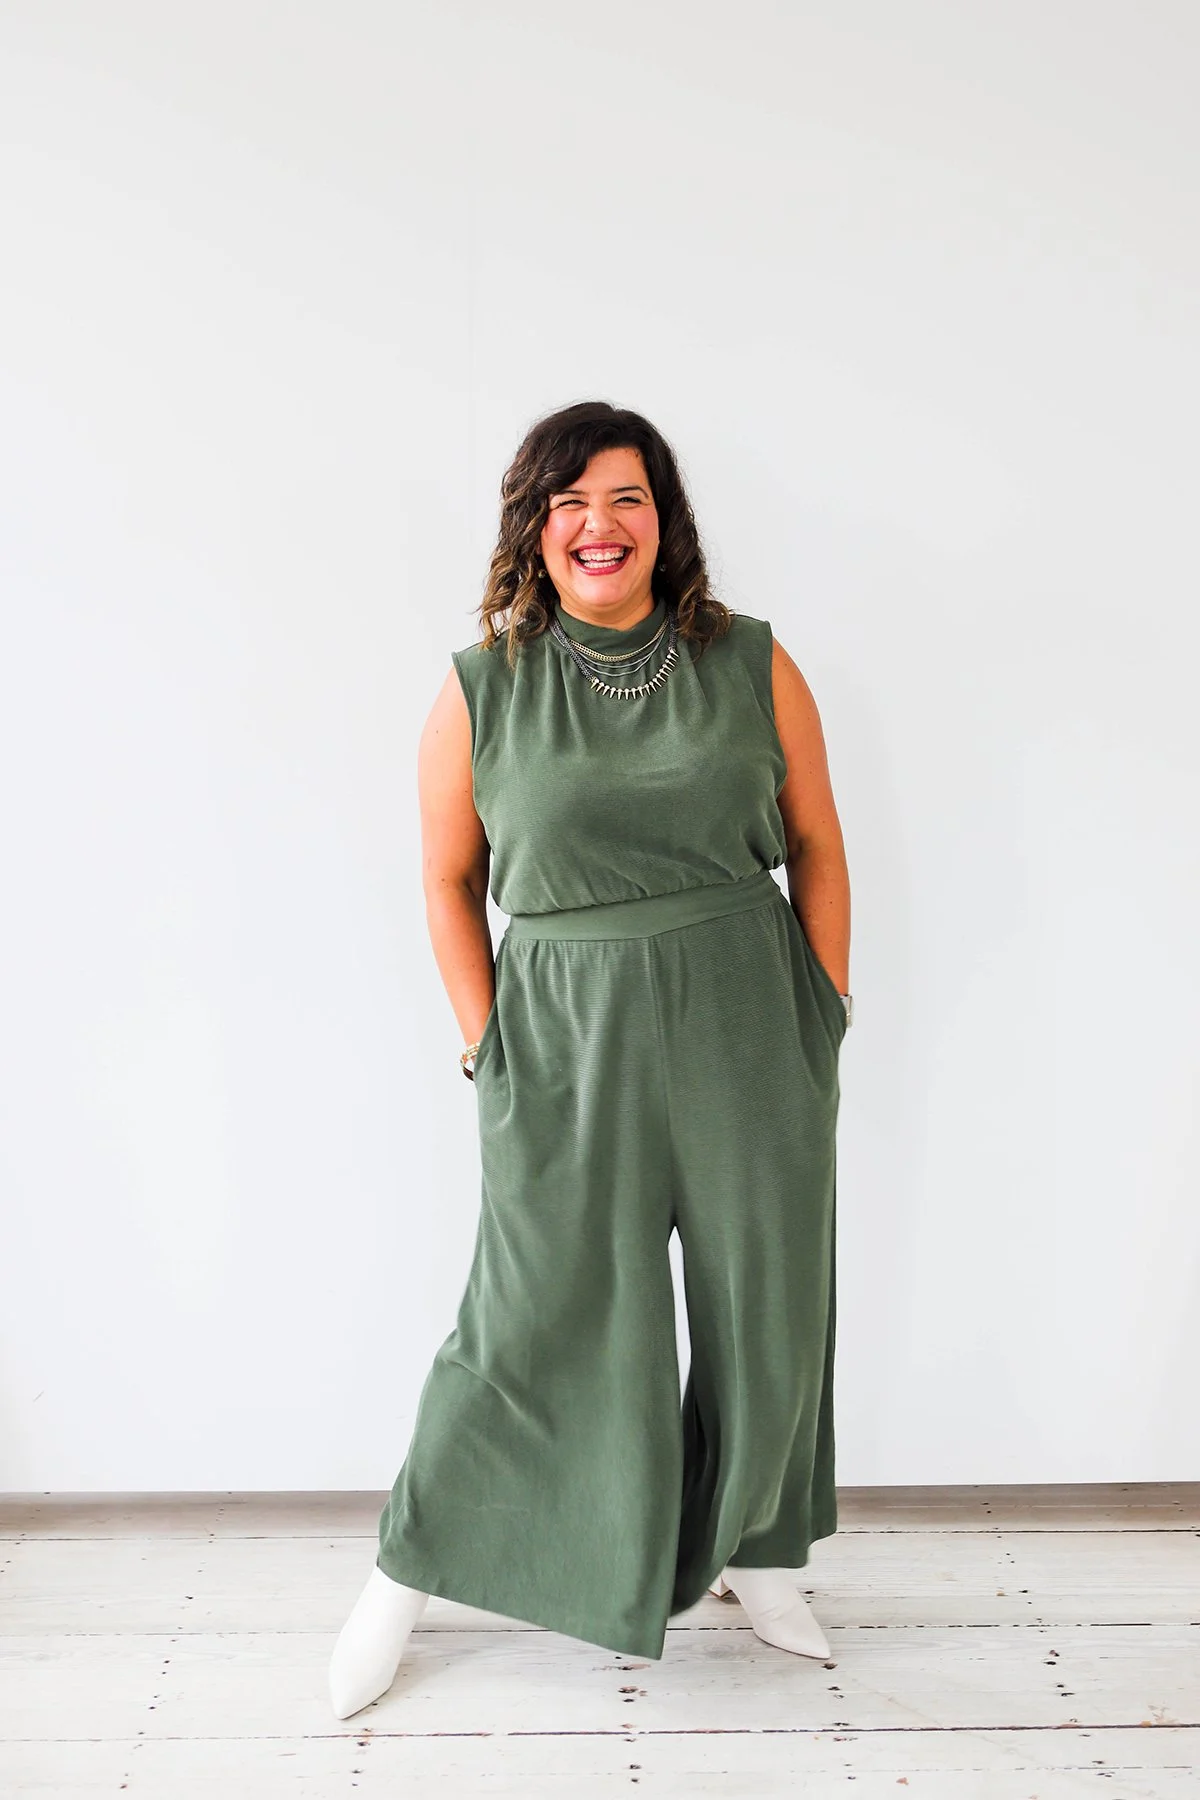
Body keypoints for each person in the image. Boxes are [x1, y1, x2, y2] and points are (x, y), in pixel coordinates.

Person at [329, 401, 852, 1719]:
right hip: (561, 1033)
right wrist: (486, 1041)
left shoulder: (753, 663)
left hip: (746, 1013)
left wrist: (823, 1008)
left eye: (624, 498)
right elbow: (448, 880)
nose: (597, 524)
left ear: (662, 519)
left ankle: (755, 1551)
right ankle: (409, 1565)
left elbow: (821, 847)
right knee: (532, 1312)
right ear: (534, 527)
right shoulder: (480, 687)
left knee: (765, 1306)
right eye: (568, 502)